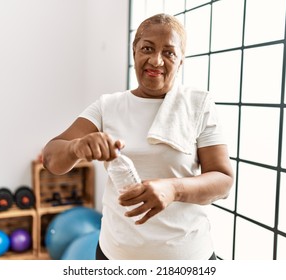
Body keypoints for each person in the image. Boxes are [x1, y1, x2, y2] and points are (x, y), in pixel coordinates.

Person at [42, 13, 234, 260]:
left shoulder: (198, 104)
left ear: (181, 60)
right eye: (147, 48)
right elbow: (51, 158)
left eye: (169, 53)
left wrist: (174, 189)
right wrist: (77, 147)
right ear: (134, 51)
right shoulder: (107, 106)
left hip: (188, 257)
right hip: (115, 255)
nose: (156, 60)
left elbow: (223, 181)